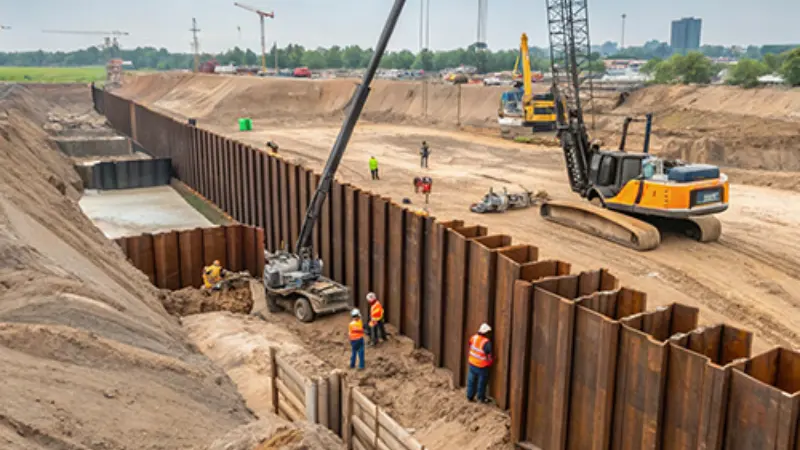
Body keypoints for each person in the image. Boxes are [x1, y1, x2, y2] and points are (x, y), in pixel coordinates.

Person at [466, 323, 493, 403]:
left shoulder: (473, 338)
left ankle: (470, 396)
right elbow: (489, 355)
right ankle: (481, 398)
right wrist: (490, 363)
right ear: (486, 333)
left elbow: (470, 345)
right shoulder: (486, 342)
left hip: (472, 363)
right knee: (482, 383)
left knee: (471, 380)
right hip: (482, 366)